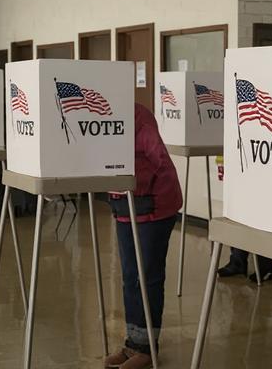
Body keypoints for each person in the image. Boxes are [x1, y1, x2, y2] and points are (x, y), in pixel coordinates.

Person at [104, 103, 182, 369]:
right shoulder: (93, 117)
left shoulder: (137, 116)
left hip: (155, 204)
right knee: (129, 277)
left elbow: (158, 157)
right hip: (125, 204)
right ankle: (133, 343)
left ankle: (148, 347)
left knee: (147, 276)